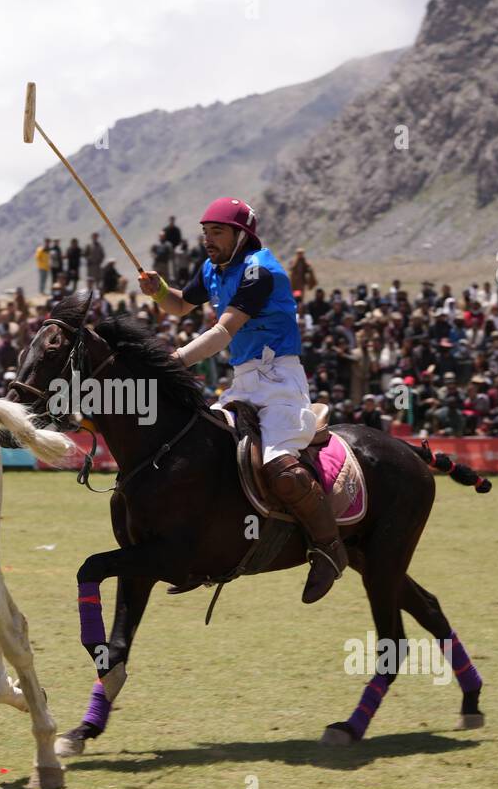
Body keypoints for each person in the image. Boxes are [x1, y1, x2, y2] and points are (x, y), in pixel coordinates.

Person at [138, 196, 345, 603]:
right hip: (244, 381)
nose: (208, 241)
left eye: (216, 232)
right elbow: (180, 306)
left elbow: (224, 331)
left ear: (241, 235)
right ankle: (205, 552)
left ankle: (329, 549)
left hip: (281, 381)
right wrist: (158, 290)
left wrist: (174, 360)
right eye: (205, 233)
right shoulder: (215, 268)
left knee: (280, 468)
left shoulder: (260, 271)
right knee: (201, 454)